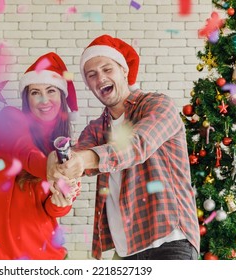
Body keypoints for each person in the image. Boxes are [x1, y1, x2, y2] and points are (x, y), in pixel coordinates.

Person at [47, 34, 200, 260]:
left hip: (169, 242)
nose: (100, 78)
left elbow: (137, 144)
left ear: (124, 71)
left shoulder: (157, 105)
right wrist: (55, 161)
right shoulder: (96, 128)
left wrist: (81, 160)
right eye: (92, 75)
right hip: (125, 250)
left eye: (107, 69)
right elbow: (76, 158)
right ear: (88, 85)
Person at [0, 52, 81, 260]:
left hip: (45, 255)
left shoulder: (65, 150)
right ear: (26, 98)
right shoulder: (10, 119)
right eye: (35, 92)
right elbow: (26, 153)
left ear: (61, 97)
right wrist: (52, 168)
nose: (43, 100)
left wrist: (62, 202)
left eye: (51, 91)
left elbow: (52, 210)